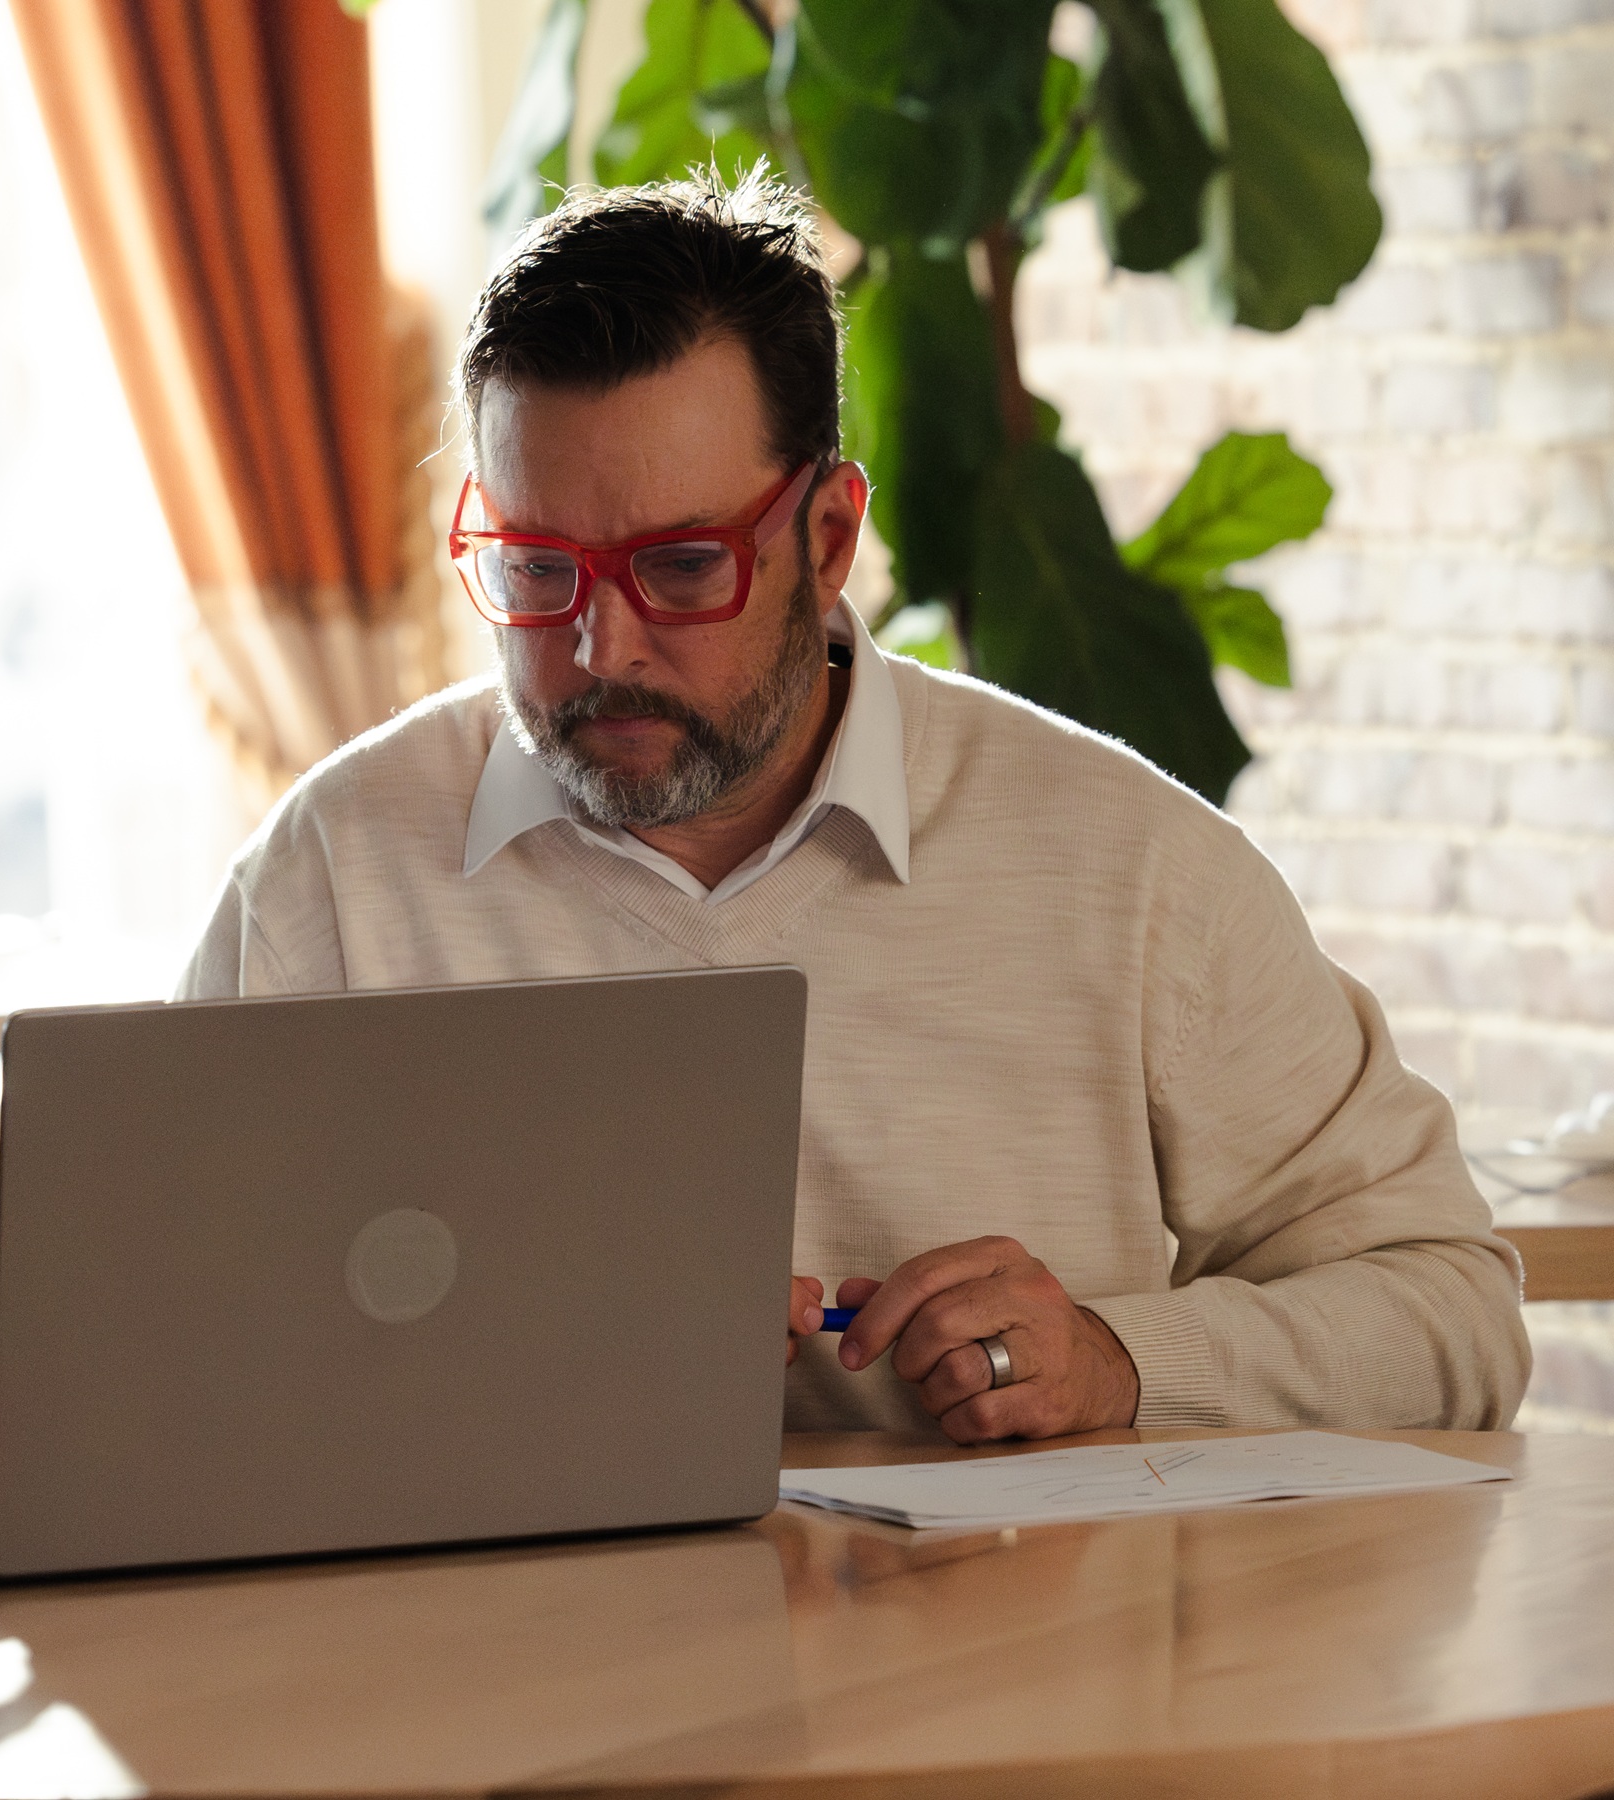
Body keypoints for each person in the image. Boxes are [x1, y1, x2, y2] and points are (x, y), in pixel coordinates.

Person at [179, 170, 1528, 1442]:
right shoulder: (334, 877)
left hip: (1027, 1677)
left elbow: (1452, 1313)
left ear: (827, 541)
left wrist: (1121, 1366)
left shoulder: (1133, 874)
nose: (602, 649)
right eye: (535, 572)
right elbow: (158, 1344)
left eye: (683, 565)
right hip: (482, 1678)